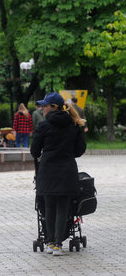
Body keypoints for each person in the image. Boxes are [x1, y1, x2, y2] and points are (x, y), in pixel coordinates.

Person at [31, 92, 86, 256]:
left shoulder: (43, 126)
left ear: (53, 107)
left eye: (44, 105)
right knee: (63, 208)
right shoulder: (74, 124)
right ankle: (57, 244)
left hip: (47, 171)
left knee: (49, 207)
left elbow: (34, 150)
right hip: (67, 171)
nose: (42, 109)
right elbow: (80, 150)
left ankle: (49, 242)